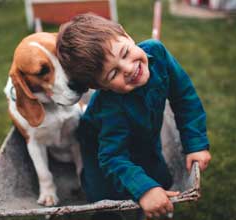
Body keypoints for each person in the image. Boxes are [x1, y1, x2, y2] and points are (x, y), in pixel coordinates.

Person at [56, 13, 211, 219]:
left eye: (125, 52)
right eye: (113, 74)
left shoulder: (158, 54)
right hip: (101, 149)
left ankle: (150, 203)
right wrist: (145, 190)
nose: (129, 68)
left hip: (143, 133)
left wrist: (196, 144)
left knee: (160, 178)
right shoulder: (110, 109)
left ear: (126, 35)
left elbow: (184, 97)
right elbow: (112, 157)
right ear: (100, 87)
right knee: (105, 198)